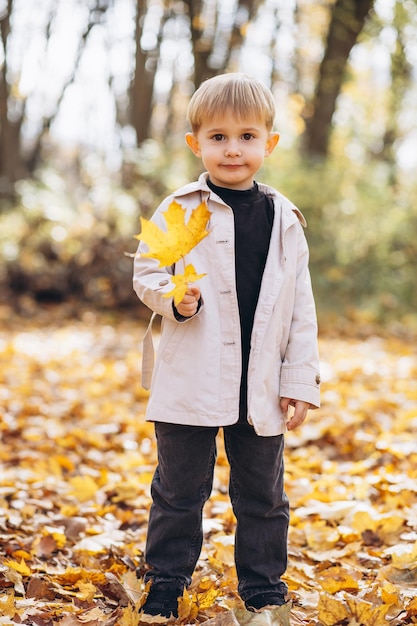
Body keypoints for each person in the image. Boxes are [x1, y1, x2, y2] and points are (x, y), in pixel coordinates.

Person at [133, 72, 320, 621]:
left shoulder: (285, 219)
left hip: (257, 380)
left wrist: (299, 381)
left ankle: (263, 587)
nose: (232, 148)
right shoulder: (180, 207)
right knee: (178, 490)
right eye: (217, 137)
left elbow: (301, 309)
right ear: (196, 144)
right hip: (193, 374)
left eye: (246, 136)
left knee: (264, 494)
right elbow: (146, 272)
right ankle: (165, 581)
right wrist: (173, 299)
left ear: (269, 143)